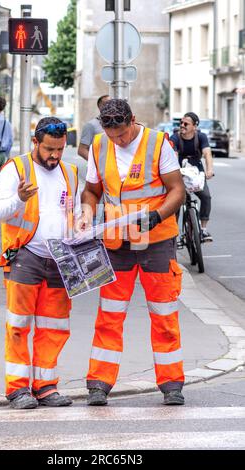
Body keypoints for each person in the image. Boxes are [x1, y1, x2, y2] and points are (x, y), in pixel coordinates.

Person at [79, 99, 186, 406]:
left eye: (123, 135)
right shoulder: (100, 146)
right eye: (113, 136)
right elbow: (92, 190)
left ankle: (171, 384)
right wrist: (87, 212)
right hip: (117, 244)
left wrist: (158, 214)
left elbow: (176, 189)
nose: (119, 141)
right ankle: (99, 384)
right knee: (109, 315)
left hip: (156, 241)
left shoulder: (157, 143)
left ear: (133, 121)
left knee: (164, 313)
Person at [0, 117, 81, 409]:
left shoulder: (70, 172)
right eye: (49, 149)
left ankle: (45, 387)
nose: (55, 156)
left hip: (60, 258)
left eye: (60, 149)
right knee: (18, 325)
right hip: (25, 256)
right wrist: (19, 199)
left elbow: (75, 213)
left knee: (54, 327)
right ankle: (17, 390)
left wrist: (82, 226)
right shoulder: (15, 170)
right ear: (35, 143)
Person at [170, 112, 214, 242]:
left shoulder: (201, 137)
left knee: (206, 196)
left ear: (195, 126)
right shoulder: (175, 138)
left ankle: (203, 229)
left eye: (186, 124)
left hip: (196, 174)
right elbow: (173, 155)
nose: (182, 125)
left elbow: (207, 154)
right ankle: (172, 235)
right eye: (181, 123)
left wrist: (209, 170)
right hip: (179, 174)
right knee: (176, 203)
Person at [77, 95, 111, 161]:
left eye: (111, 104)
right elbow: (82, 150)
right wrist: (96, 164)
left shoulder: (118, 124)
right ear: (99, 107)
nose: (109, 107)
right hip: (99, 170)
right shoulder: (90, 125)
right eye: (106, 104)